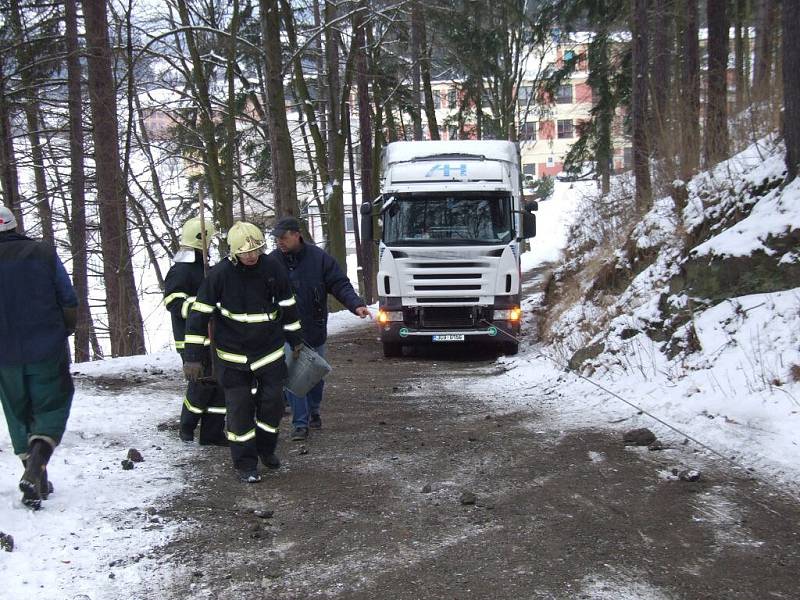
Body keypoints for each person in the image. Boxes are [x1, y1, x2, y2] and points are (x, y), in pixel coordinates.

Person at [183, 221, 303, 483]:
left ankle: (265, 449)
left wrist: (296, 340)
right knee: (239, 410)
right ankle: (245, 464)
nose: (251, 256)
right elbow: (199, 315)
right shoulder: (219, 275)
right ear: (233, 252)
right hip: (232, 357)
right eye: (245, 252)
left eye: (256, 250)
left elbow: (288, 305)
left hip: (269, 353)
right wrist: (192, 356)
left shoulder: (273, 268)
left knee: (272, 406)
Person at [0, 205, 77, 510]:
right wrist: (65, 328)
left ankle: (35, 475)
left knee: (17, 411)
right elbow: (67, 296)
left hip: (4, 353)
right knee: (52, 405)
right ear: (14, 225)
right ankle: (37, 468)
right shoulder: (42, 253)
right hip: (46, 345)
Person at [269, 216, 371, 442]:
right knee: (294, 376)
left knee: (315, 375)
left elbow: (339, 284)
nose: (280, 242)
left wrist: (356, 305)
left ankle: (314, 411)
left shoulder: (319, 259)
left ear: (297, 235)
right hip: (285, 331)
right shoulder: (272, 262)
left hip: (314, 328)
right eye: (277, 239)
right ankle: (300, 423)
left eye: (284, 238)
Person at [163, 217, 227, 445]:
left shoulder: (206, 269)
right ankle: (187, 426)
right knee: (201, 384)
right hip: (192, 340)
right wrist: (199, 306)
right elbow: (173, 301)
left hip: (214, 338)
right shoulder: (180, 270)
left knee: (220, 384)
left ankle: (212, 433)